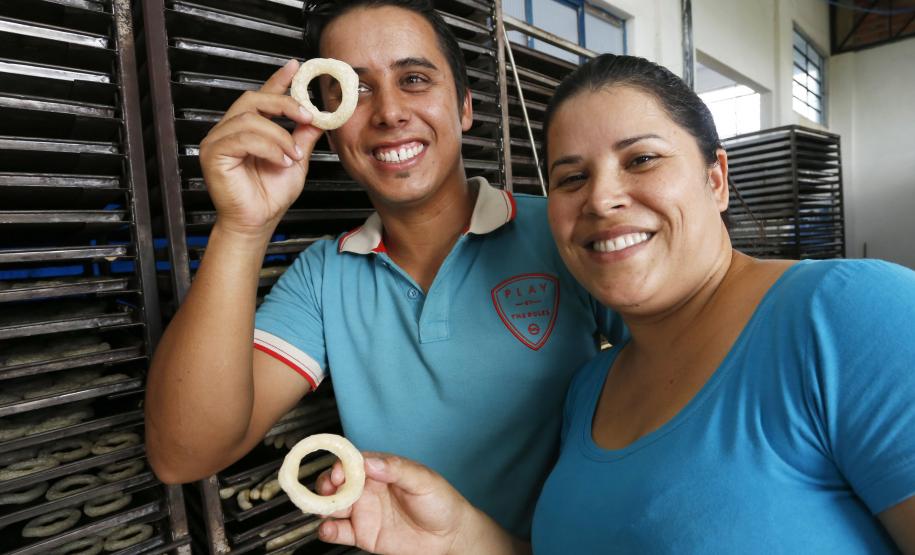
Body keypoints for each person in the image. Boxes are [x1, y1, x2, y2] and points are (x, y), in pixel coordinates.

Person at [314, 53, 915, 554]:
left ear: (716, 179)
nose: (602, 199)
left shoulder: (850, 316)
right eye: (571, 178)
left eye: (642, 160)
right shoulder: (588, 392)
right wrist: (459, 539)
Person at [144, 0, 624, 538]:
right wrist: (242, 227)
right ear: (325, 124)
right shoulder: (324, 278)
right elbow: (183, 455)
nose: (390, 112)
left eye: (415, 79)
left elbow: (695, 367)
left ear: (465, 107)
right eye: (357, 89)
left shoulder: (565, 232)